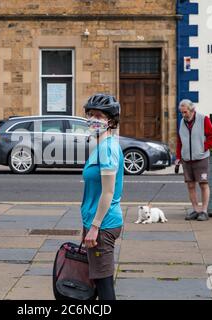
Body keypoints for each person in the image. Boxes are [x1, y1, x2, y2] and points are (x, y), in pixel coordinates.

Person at [81, 93, 124, 300]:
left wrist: (95, 227)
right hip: (95, 223)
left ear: (110, 121)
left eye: (99, 116)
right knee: (97, 284)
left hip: (103, 226)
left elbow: (108, 192)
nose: (93, 120)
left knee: (105, 288)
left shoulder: (107, 148)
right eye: (90, 115)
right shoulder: (101, 145)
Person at [175, 99, 212, 221]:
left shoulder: (204, 119)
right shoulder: (182, 122)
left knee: (203, 184)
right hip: (187, 159)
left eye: (185, 112)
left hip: (201, 158)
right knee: (190, 185)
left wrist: (203, 148)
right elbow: (179, 141)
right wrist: (178, 157)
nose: (183, 115)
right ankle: (195, 210)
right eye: (181, 113)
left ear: (192, 110)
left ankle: (204, 211)